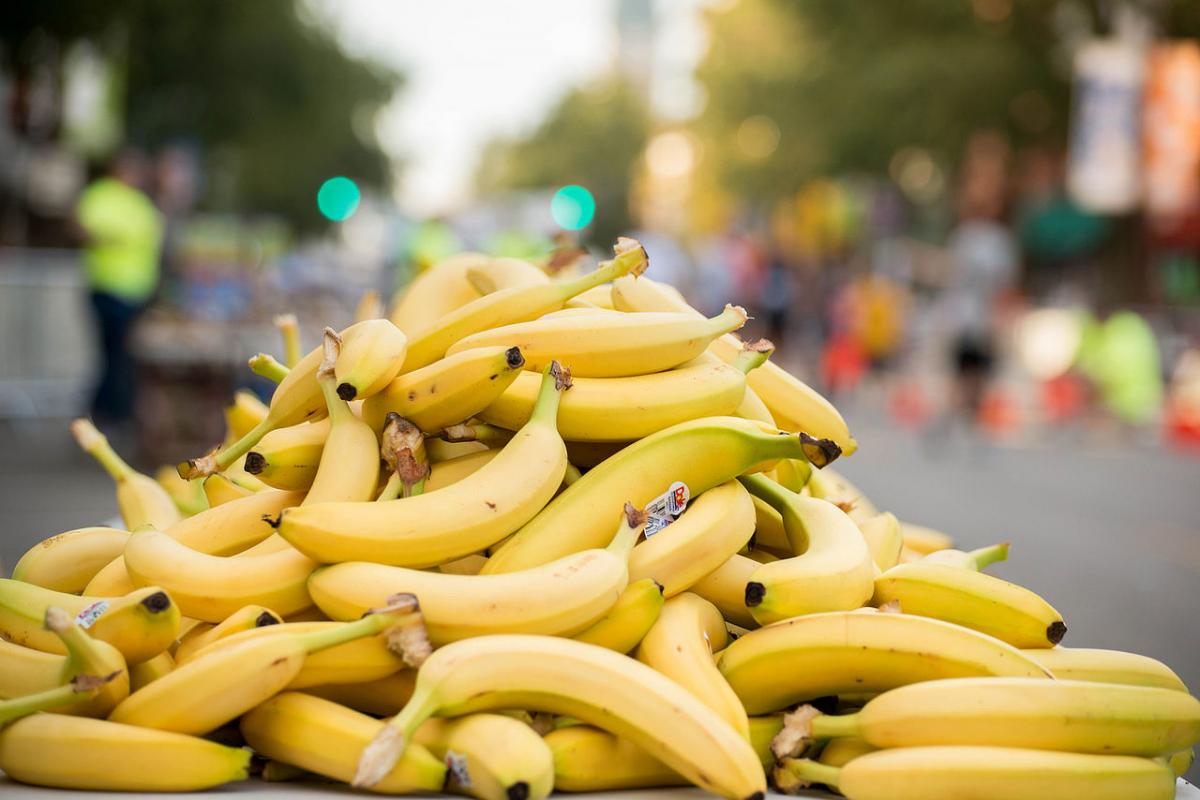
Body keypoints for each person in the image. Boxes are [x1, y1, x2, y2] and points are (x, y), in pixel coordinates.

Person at [75, 149, 164, 424]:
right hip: (109, 288)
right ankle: (107, 411)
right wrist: (111, 239)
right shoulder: (101, 195)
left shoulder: (140, 202)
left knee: (122, 355)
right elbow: (83, 230)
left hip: (136, 291)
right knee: (114, 355)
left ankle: (108, 410)